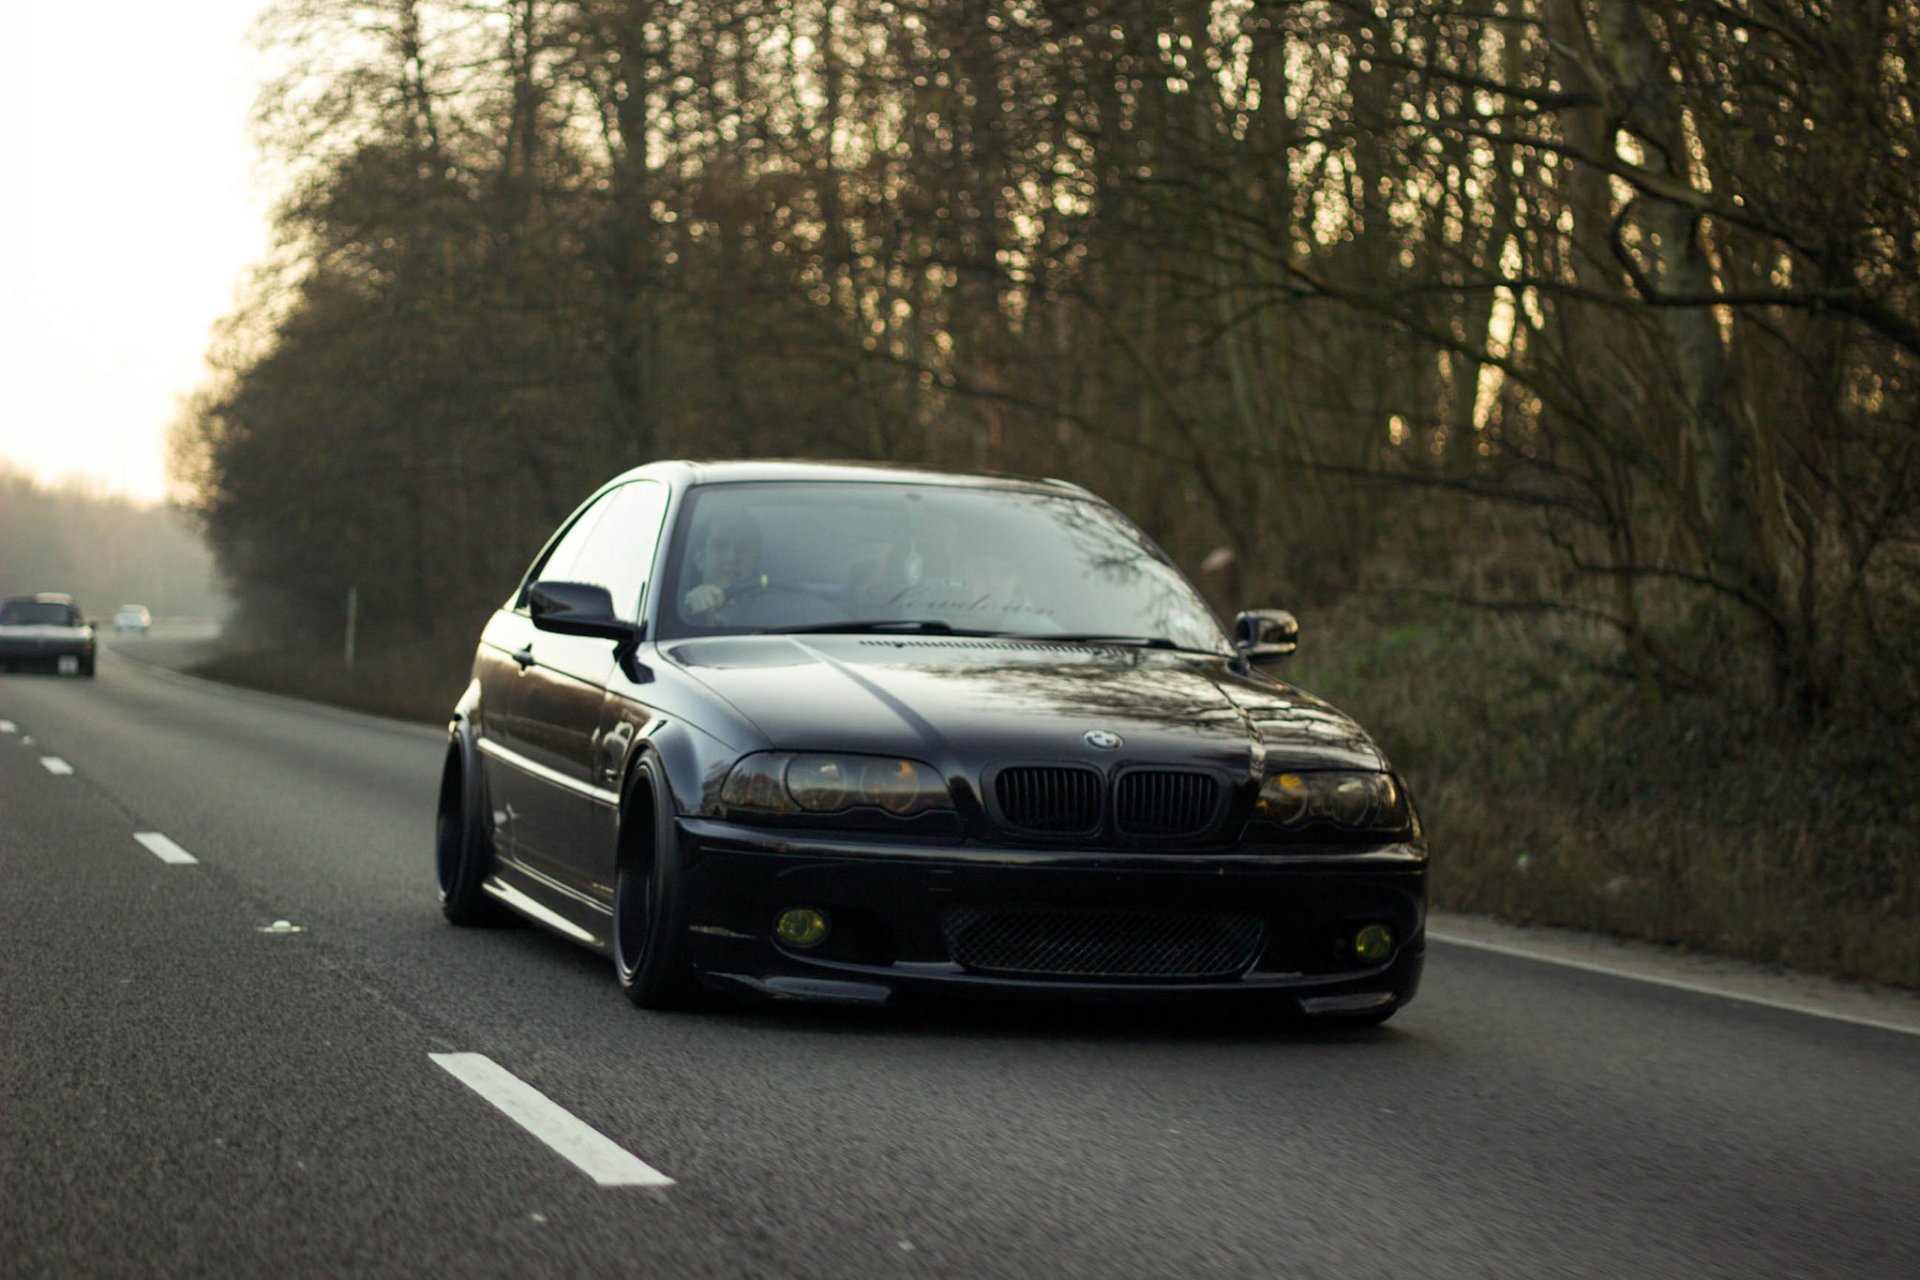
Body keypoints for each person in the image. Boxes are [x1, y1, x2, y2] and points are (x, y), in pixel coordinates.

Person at [681, 513, 767, 623]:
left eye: (743, 547)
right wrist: (690, 612)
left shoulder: (780, 612)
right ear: (699, 559)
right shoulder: (678, 616)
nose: (732, 557)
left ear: (757, 559)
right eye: (720, 546)